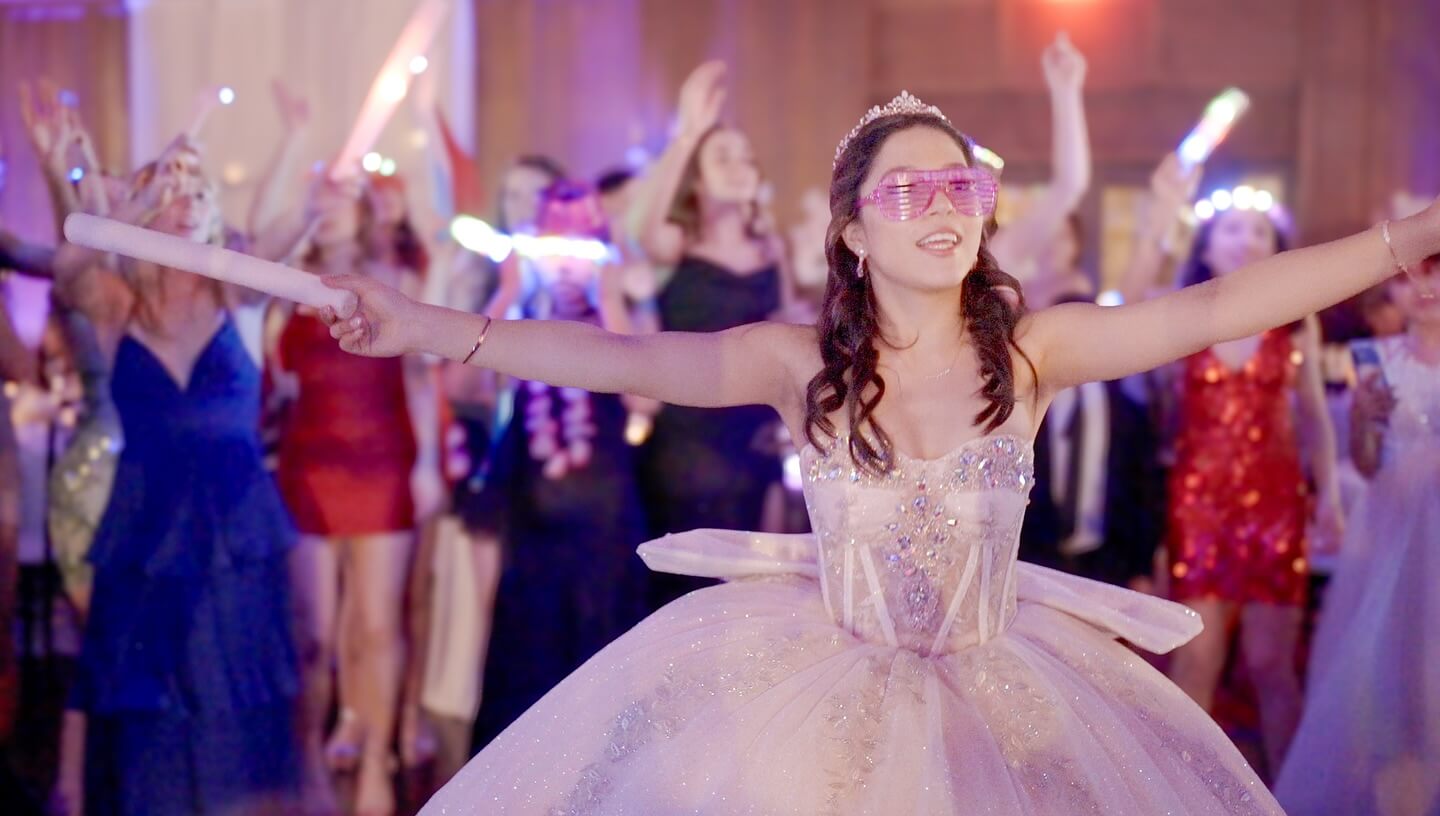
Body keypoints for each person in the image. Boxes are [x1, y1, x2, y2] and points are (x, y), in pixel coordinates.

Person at [316, 90, 1438, 814]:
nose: (941, 206)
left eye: (962, 186)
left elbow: (1223, 303)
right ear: (853, 229)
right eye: (907, 190)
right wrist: (419, 325)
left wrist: (1409, 238)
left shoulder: (1035, 352)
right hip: (826, 696)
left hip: (1006, 689)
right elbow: (620, 360)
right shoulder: (791, 362)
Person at [55, 137, 300, 816]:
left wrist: (303, 154)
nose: (189, 199)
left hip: (235, 522)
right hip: (146, 520)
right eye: (174, 187)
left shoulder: (238, 295)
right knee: (148, 688)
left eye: (200, 189)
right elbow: (67, 267)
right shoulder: (118, 305)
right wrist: (124, 209)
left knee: (230, 686)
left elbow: (283, 239)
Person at [1273, 257, 1440, 816]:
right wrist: (1366, 422)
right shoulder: (1372, 359)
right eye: (1410, 276)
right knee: (1385, 690)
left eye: (1437, 274)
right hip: (1389, 537)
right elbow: (1368, 465)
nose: (1425, 288)